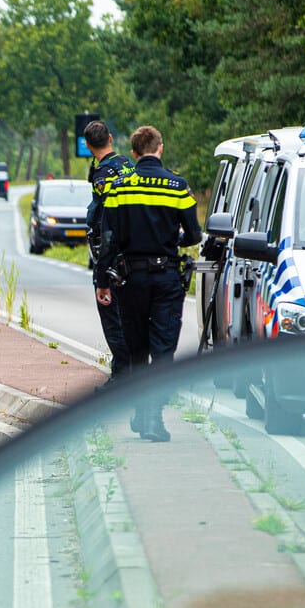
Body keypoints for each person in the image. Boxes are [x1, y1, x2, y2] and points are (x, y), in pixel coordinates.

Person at [94, 125, 201, 442]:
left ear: (135, 152)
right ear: (160, 148)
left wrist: (102, 280)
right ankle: (152, 417)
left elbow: (108, 239)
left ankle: (142, 412)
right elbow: (194, 235)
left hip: (130, 279)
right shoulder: (177, 186)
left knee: (137, 349)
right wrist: (172, 239)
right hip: (167, 278)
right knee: (163, 349)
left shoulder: (119, 187)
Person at [83, 121, 135, 381]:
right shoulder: (127, 164)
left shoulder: (103, 175)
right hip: (134, 249)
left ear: (88, 145)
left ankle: (121, 376)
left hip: (112, 252)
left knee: (112, 315)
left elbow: (105, 220)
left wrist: (102, 269)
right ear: (111, 139)